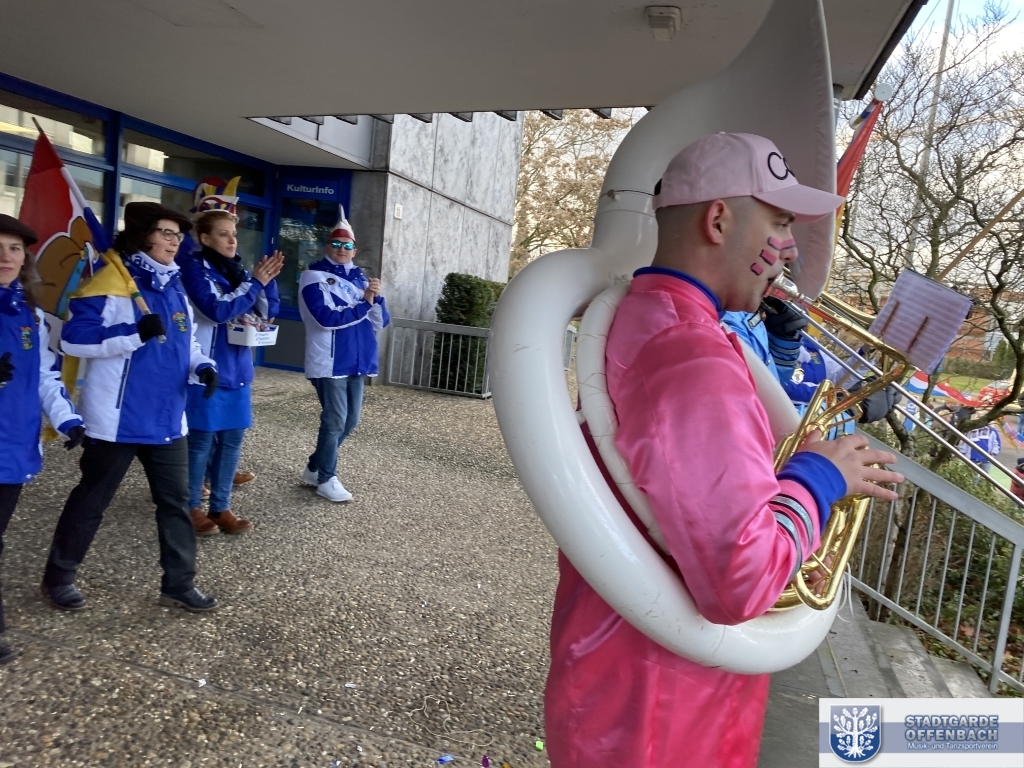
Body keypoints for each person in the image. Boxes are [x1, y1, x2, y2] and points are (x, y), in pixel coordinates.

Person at [544, 133, 904, 768]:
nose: (790, 248)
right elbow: (740, 581)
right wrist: (820, 479)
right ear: (718, 221)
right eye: (781, 222)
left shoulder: (657, 319)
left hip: (631, 687)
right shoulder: (694, 357)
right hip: (666, 715)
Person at [42, 202, 219, 614]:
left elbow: (186, 342)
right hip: (116, 421)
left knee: (176, 505)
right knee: (91, 502)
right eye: (166, 233)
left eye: (179, 236)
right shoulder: (111, 281)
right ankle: (59, 577)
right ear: (143, 236)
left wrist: (202, 366)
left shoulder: (175, 286)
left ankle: (178, 583)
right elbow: (73, 340)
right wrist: (133, 332)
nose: (174, 242)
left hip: (168, 419)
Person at [0, 215, 85, 664]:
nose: (6, 257)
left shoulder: (28, 313)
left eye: (14, 249)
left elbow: (44, 376)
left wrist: (68, 420)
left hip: (13, 446)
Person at [179, 181, 282, 535]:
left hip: (238, 368)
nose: (231, 240)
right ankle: (191, 506)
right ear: (205, 238)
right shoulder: (193, 269)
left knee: (233, 440)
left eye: (234, 234)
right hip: (206, 369)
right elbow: (217, 309)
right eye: (223, 234)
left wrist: (266, 282)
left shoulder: (239, 271)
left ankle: (221, 507)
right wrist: (254, 284)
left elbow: (267, 311)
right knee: (201, 442)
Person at [298, 207, 389, 502]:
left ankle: (315, 467)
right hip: (329, 360)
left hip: (357, 360)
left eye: (347, 245)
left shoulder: (361, 280)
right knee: (335, 421)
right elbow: (325, 318)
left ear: (354, 250)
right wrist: (364, 304)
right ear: (327, 246)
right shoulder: (313, 277)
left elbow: (380, 322)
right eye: (336, 243)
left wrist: (377, 298)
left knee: (350, 421)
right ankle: (327, 478)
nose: (341, 249)